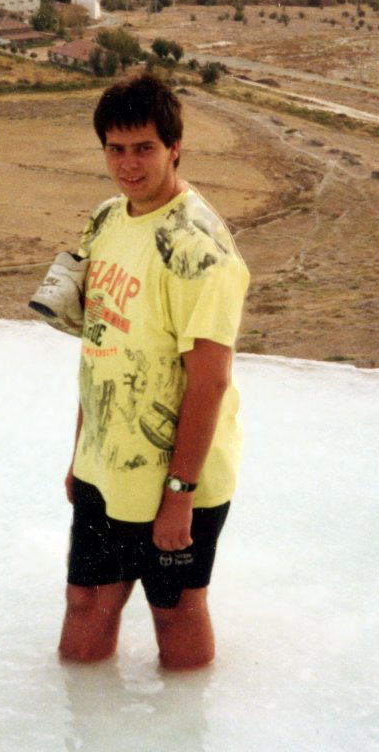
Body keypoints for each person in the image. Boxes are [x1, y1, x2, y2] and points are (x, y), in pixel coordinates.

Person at [58, 72, 250, 670]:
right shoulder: (106, 221)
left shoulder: (200, 250)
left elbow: (210, 381)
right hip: (105, 465)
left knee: (174, 613)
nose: (128, 164)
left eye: (144, 148)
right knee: (85, 602)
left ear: (175, 147)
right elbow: (100, 343)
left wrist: (179, 497)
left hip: (177, 478)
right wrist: (79, 453)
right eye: (115, 148)